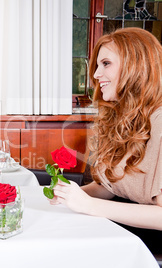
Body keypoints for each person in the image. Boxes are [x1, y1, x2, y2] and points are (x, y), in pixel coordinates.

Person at [50, 27, 162, 254]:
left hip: (149, 242)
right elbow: (109, 188)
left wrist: (89, 205)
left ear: (136, 66)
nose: (96, 75)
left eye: (106, 64)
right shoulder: (120, 117)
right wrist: (69, 193)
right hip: (123, 226)